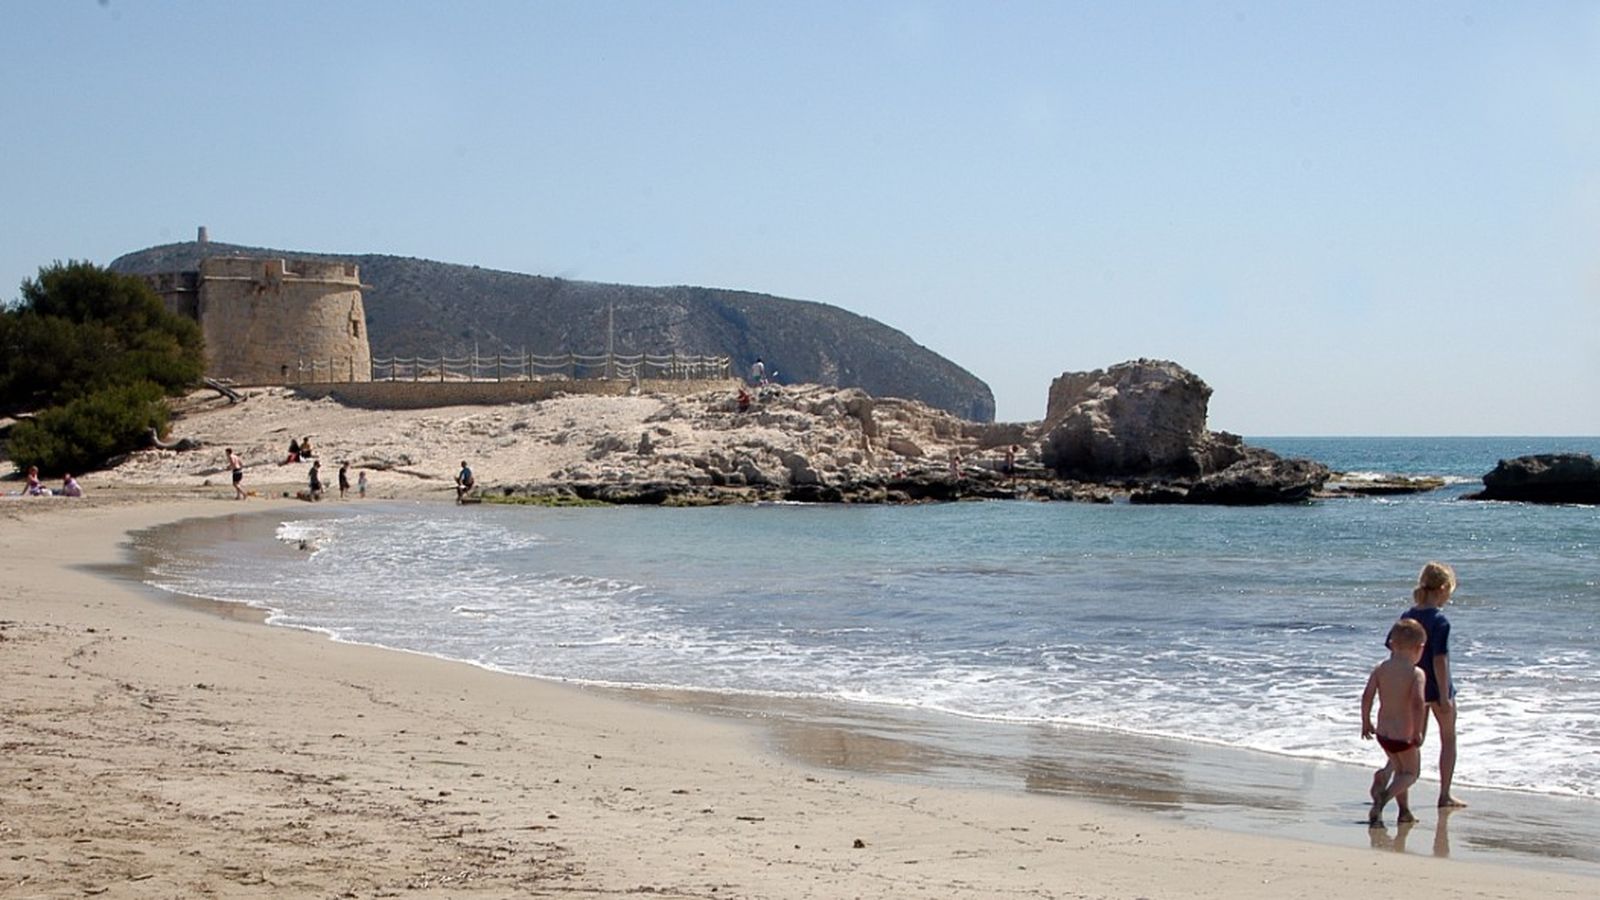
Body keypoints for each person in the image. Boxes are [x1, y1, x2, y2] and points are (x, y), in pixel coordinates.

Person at [1401, 561, 1466, 808]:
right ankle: (1444, 794)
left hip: (1414, 684)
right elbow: (1440, 660)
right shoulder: (1440, 621)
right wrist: (1444, 695)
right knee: (1448, 738)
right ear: (1442, 589)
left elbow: (1396, 651)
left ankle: (1391, 776)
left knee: (1412, 739)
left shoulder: (1408, 616)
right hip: (1436, 687)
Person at [1362, 618, 1428, 827]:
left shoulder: (1381, 668)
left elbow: (1367, 696)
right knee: (1411, 773)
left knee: (1399, 771)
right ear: (1420, 648)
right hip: (1404, 735)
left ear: (1392, 644)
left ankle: (1403, 811)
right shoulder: (1416, 673)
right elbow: (1418, 703)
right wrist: (1417, 731)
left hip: (1383, 734)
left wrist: (1366, 721)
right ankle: (1383, 799)